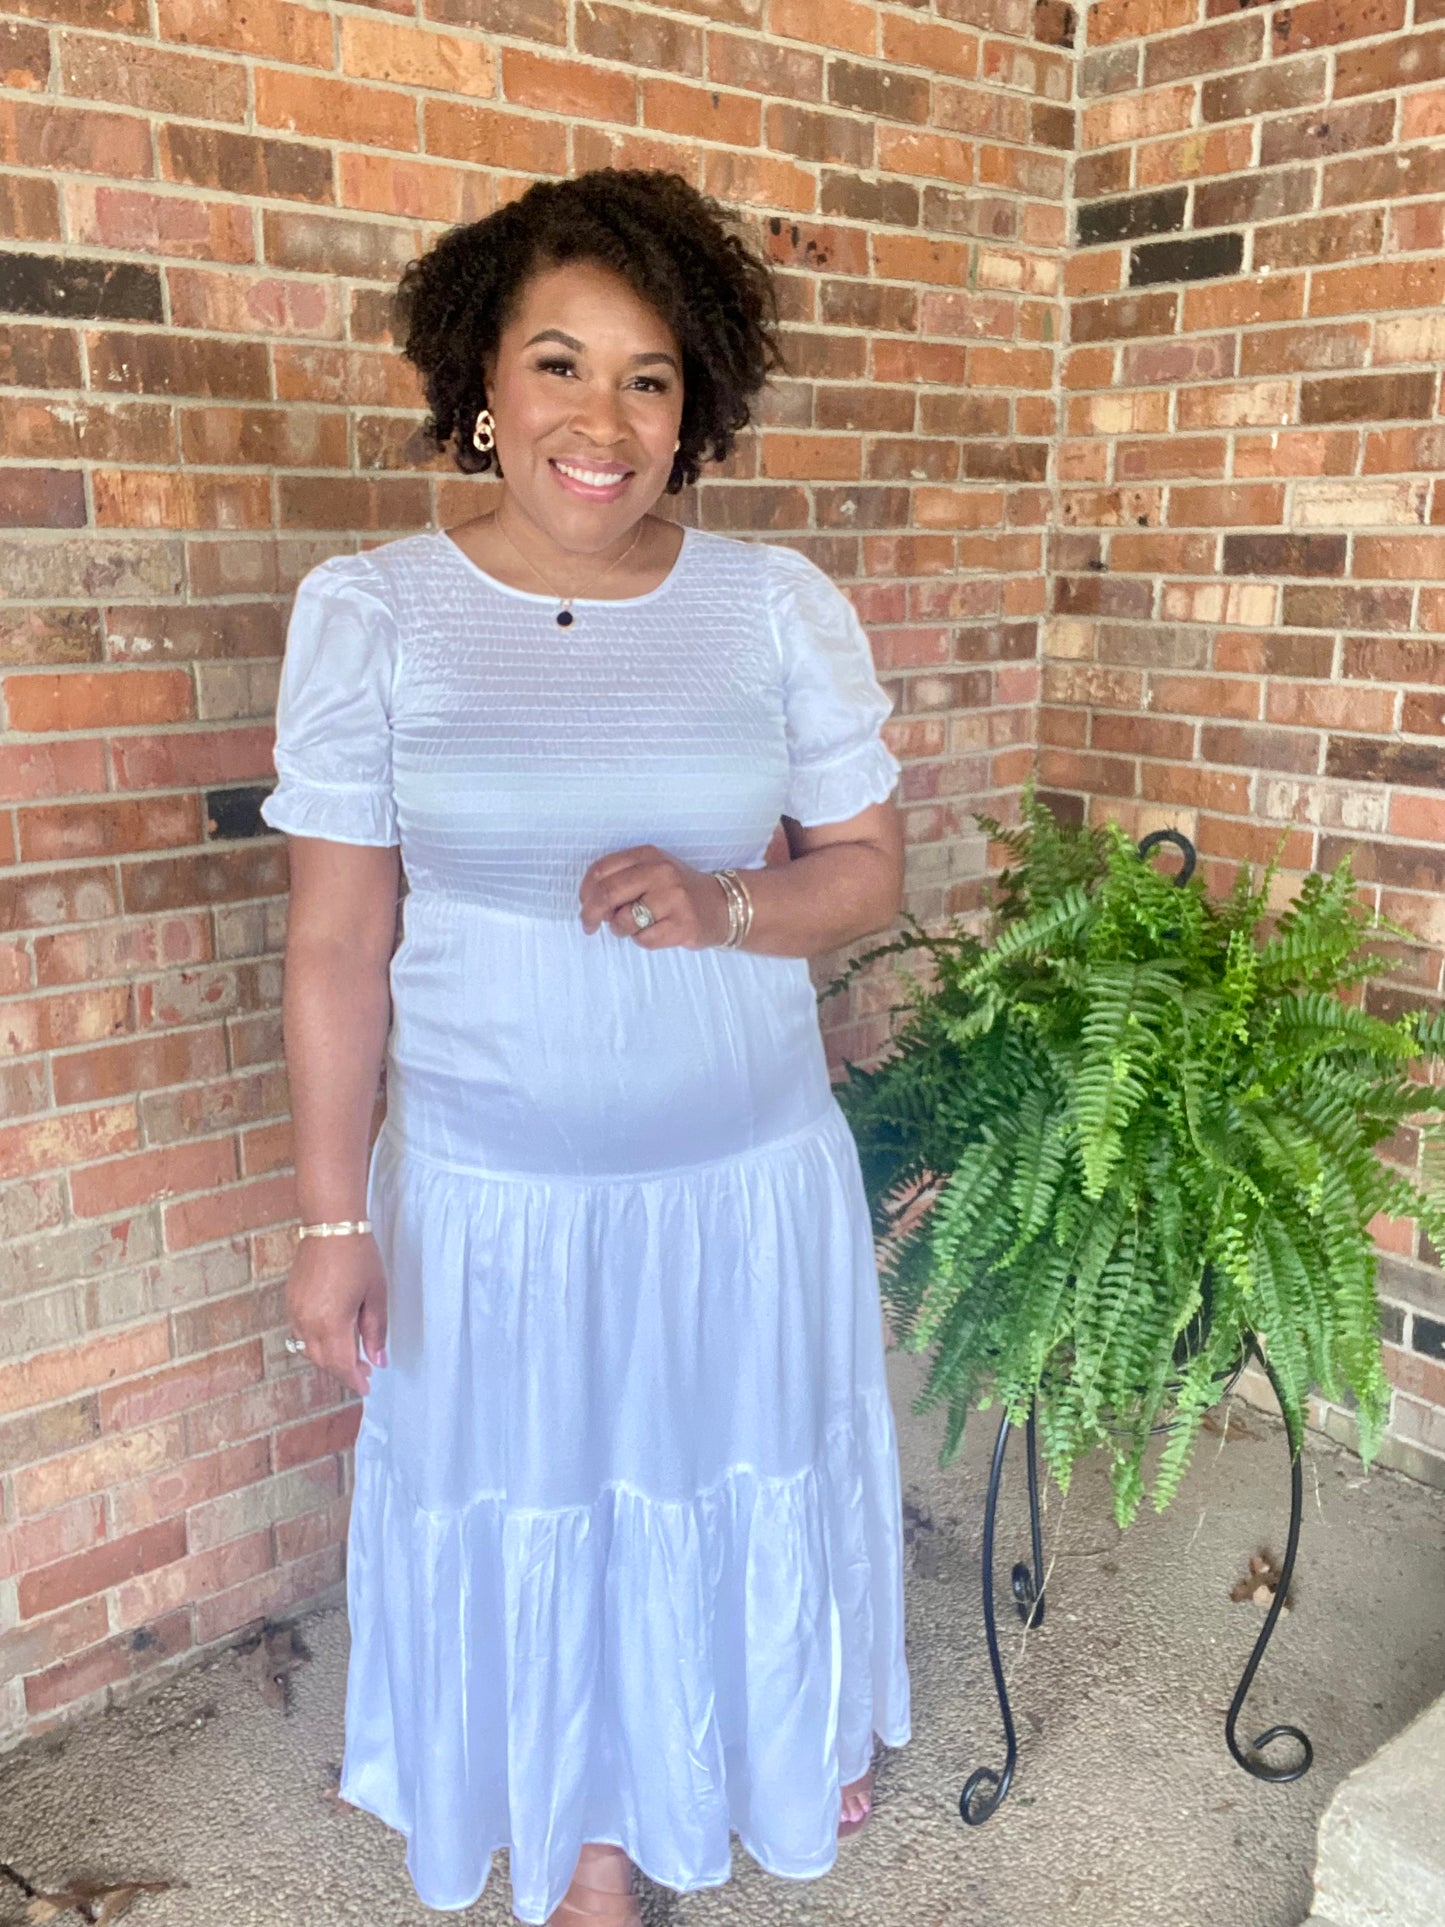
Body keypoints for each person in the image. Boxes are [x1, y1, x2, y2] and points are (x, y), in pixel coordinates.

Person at [259, 167, 912, 1925]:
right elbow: (336, 939)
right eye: (558, 365)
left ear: (695, 403)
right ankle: (593, 1840)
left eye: (647, 376)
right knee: (542, 1497)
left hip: (740, 1178)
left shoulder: (771, 605)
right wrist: (335, 1224)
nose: (600, 420)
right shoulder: (377, 611)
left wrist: (729, 908)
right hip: (498, 1198)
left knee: (731, 1469)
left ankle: (759, 1737)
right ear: (482, 383)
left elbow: (863, 874)